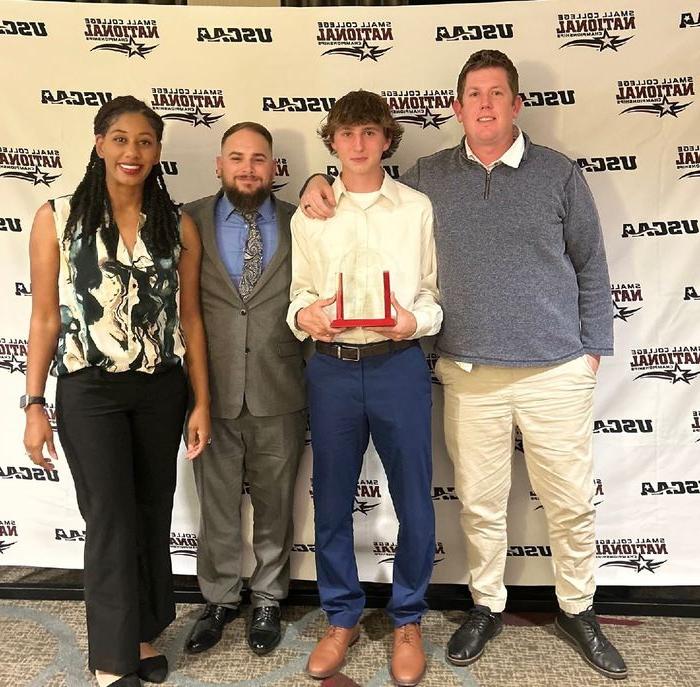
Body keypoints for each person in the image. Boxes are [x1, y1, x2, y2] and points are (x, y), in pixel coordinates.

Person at [300, 51, 627, 681]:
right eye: (473, 94)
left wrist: (591, 350)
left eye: (496, 93)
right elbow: (362, 180)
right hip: (470, 372)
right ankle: (486, 606)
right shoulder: (430, 177)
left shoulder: (558, 173)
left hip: (555, 369)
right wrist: (321, 180)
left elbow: (591, 262)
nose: (484, 104)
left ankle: (579, 608)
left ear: (515, 105)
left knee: (568, 502)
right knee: (478, 504)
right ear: (457, 108)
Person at [22, 96, 210, 687]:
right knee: (109, 518)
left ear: (157, 152)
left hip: (161, 390)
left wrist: (201, 400)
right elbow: (45, 319)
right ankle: (110, 656)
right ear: (99, 143)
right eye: (121, 139)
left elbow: (192, 319)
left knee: (152, 512)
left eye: (146, 141)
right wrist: (33, 404)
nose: (134, 152)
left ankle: (143, 632)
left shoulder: (176, 225)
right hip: (90, 391)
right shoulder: (58, 217)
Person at [289, 90, 442, 687]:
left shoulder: (416, 208)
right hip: (330, 366)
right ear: (332, 141)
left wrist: (416, 322)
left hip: (398, 363)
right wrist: (305, 317)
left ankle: (407, 619)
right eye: (346, 134)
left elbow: (429, 291)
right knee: (331, 498)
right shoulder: (311, 213)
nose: (357, 144)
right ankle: (341, 617)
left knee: (414, 497)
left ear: (386, 140)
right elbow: (298, 292)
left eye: (369, 133)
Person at [183, 122, 306, 658]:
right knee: (216, 504)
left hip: (281, 387)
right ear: (219, 165)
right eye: (236, 157)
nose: (248, 168)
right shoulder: (188, 220)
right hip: (208, 391)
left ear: (273, 167)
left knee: (276, 503)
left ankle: (269, 598)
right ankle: (218, 598)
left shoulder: (302, 220)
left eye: (259, 158)